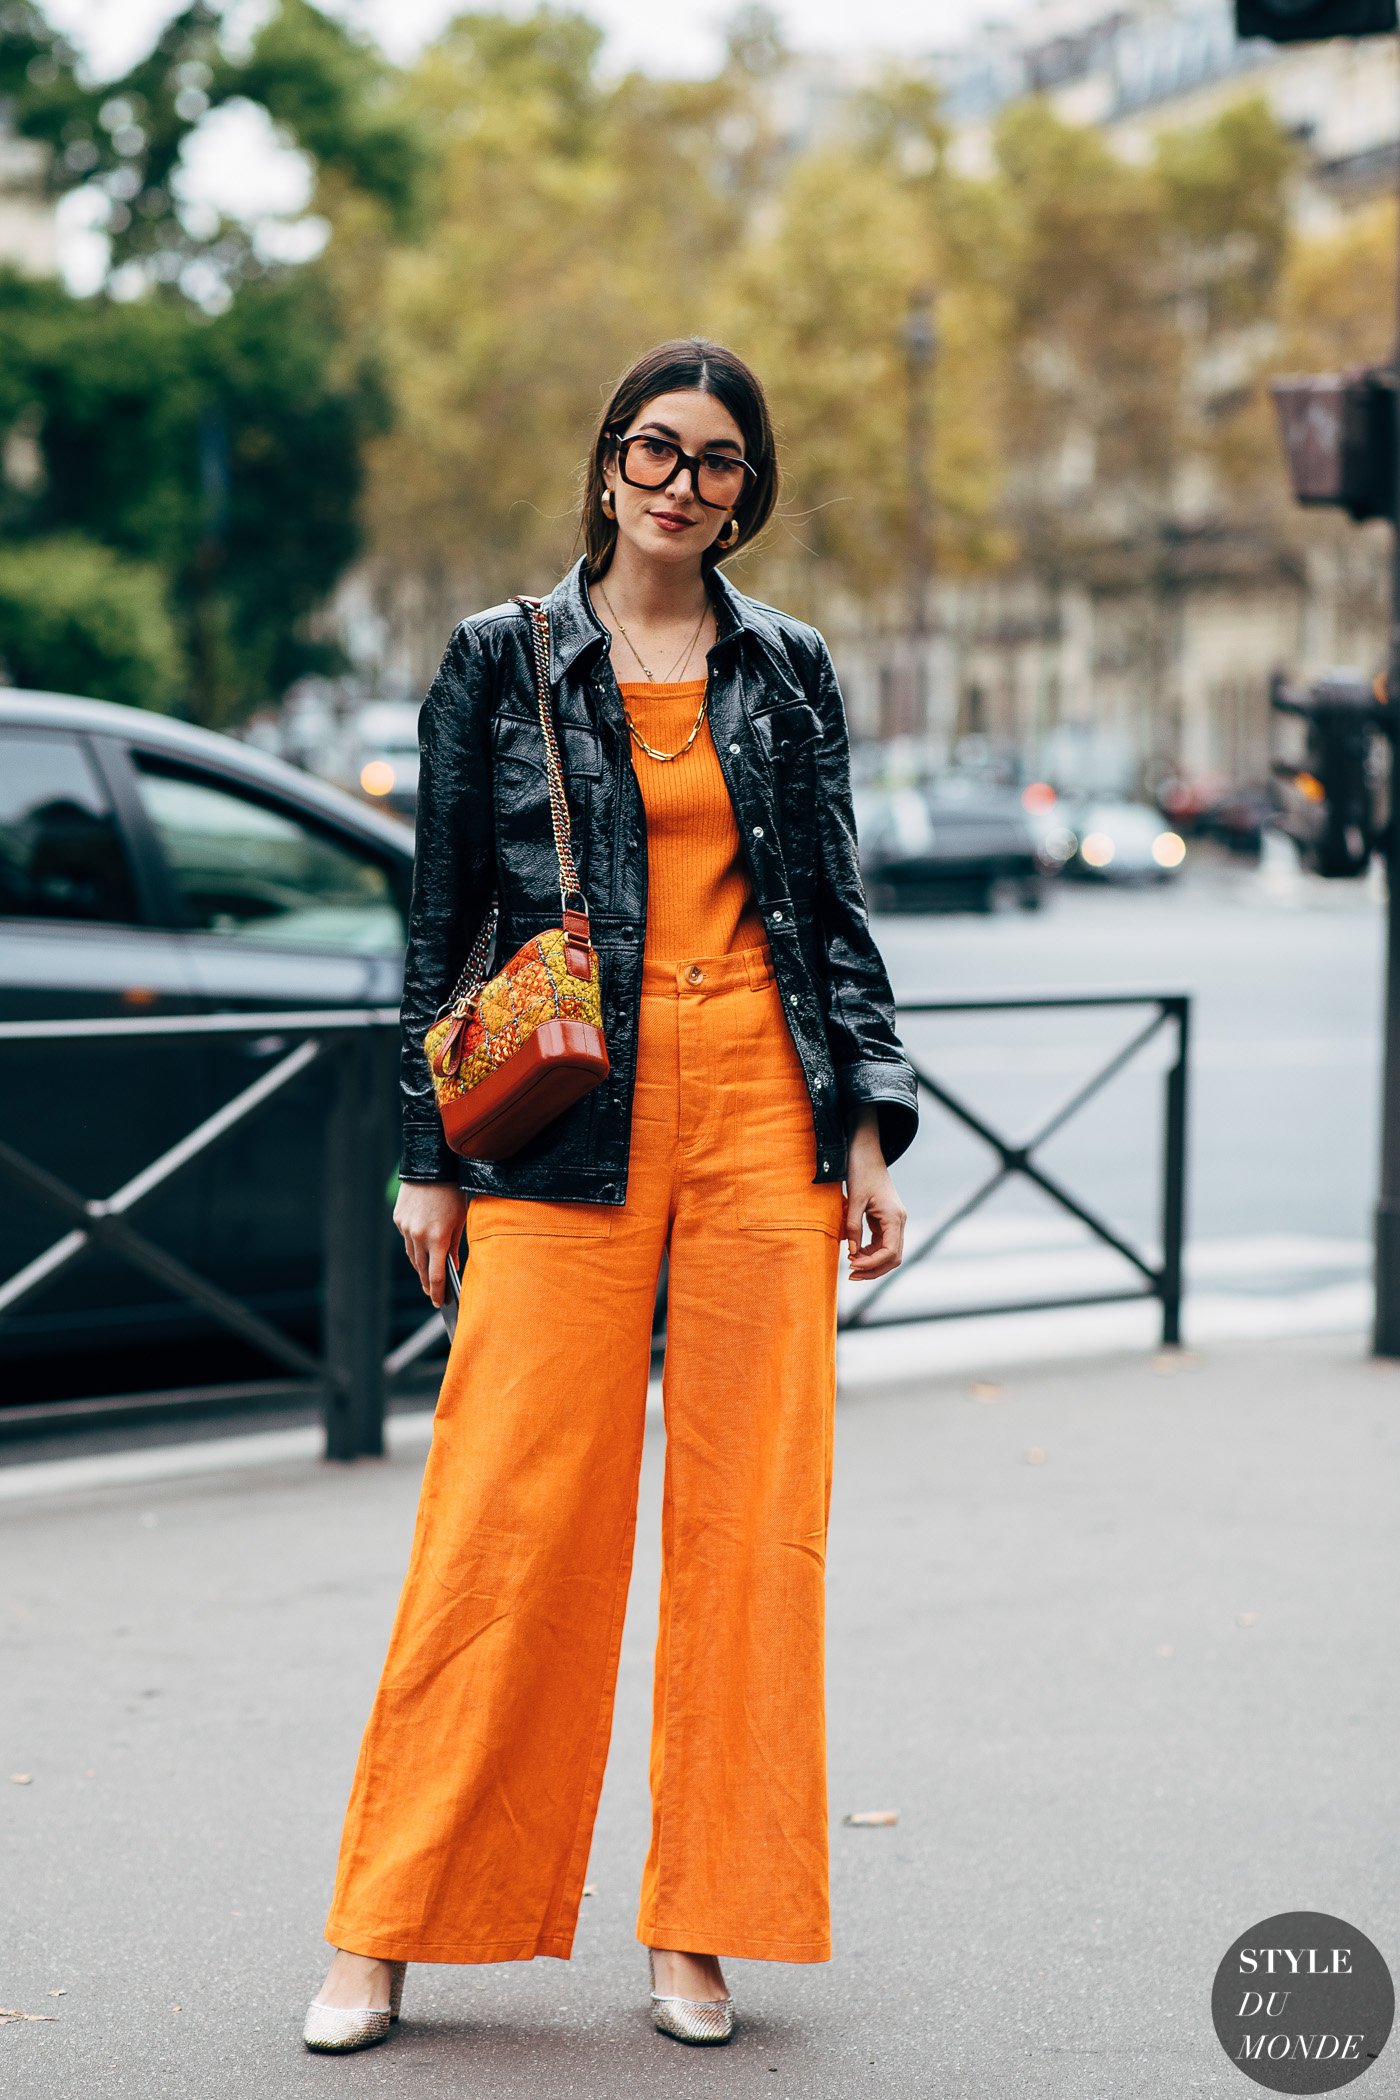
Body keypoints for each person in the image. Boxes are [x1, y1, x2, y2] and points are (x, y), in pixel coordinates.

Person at [303, 337, 918, 2053]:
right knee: (503, 1522)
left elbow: (837, 922)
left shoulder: (788, 670)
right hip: (564, 1117)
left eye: (718, 462)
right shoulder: (497, 659)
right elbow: (439, 932)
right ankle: (385, 1929)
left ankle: (698, 1929)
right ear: (606, 463)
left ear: (749, 491)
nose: (681, 483)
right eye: (657, 449)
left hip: (758, 1114)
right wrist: (431, 1158)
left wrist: (863, 1128)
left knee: (751, 1537)